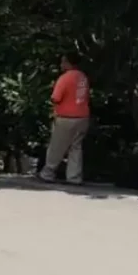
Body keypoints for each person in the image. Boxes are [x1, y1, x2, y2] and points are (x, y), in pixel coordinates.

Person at [38, 51, 90, 185]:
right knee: (76, 148)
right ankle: (74, 177)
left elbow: (56, 98)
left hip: (66, 117)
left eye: (63, 61)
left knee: (57, 146)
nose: (61, 64)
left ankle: (48, 173)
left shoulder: (65, 78)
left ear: (68, 62)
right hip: (83, 116)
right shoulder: (83, 77)